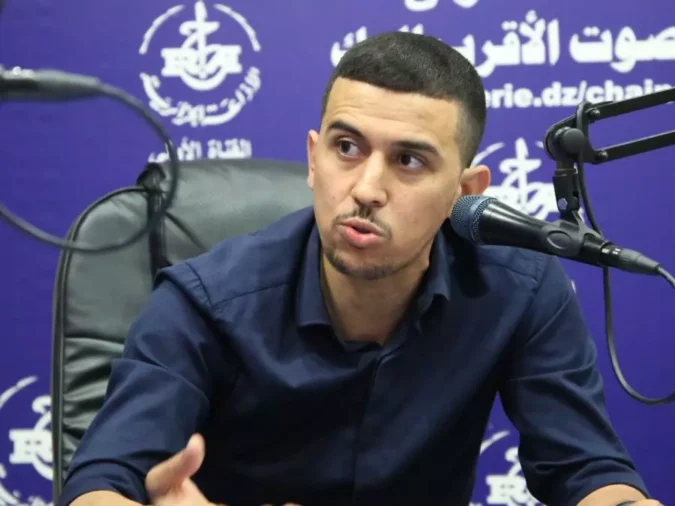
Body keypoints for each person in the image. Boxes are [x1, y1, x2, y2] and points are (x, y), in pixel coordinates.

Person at [58, 32, 658, 506]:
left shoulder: (519, 288)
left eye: (409, 160)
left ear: (466, 191)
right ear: (313, 158)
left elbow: (586, 471)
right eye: (347, 148)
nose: (367, 188)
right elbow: (100, 481)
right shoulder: (206, 299)